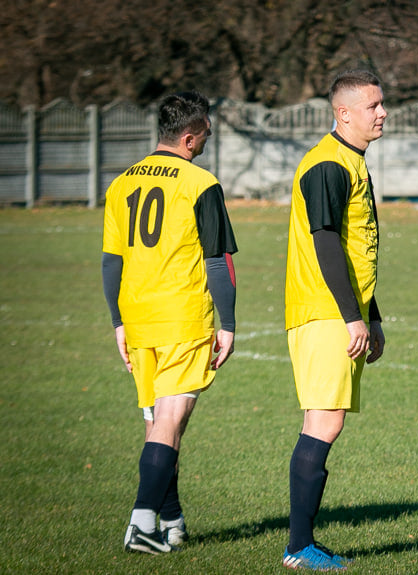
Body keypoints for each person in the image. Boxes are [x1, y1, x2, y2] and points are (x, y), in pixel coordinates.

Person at [102, 90, 238, 554]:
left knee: (160, 423)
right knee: (172, 419)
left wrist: (118, 322)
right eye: (204, 134)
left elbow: (110, 263)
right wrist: (229, 322)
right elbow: (218, 262)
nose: (206, 141)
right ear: (187, 136)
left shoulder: (121, 183)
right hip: (182, 317)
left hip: (139, 320)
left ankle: (172, 519)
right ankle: (141, 523)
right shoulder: (201, 183)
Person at [281, 69, 387, 571]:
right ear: (343, 113)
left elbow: (355, 248)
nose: (382, 113)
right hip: (324, 313)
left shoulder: (350, 161)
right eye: (373, 106)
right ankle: (299, 546)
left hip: (338, 313)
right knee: (324, 421)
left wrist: (373, 316)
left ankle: (302, 543)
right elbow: (326, 245)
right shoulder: (327, 164)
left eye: (381, 104)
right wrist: (352, 317)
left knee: (324, 421)